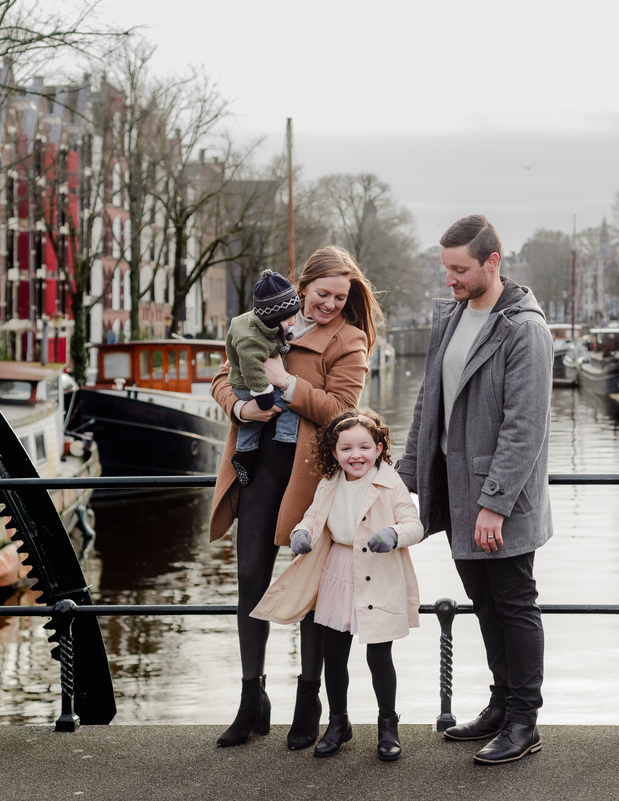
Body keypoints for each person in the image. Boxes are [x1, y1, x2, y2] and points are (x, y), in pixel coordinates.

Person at [208, 245, 383, 750]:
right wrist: (241, 407)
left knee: (309, 589)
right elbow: (222, 377)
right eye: (322, 293)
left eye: (340, 297)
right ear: (302, 286)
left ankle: (310, 701)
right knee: (249, 580)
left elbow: (345, 411)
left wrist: (289, 383)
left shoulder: (349, 340)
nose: (329, 304)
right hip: (259, 464)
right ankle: (251, 698)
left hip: (310, 476)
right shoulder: (258, 323)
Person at [396, 214, 553, 766]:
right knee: (484, 603)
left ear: (493, 262)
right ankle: (500, 705)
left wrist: (494, 504)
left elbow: (524, 425)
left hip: (497, 503)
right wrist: (407, 476)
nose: (450, 280)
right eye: (446, 269)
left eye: (459, 269)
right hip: (458, 493)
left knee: (513, 603)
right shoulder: (453, 316)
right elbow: (428, 403)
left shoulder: (523, 328)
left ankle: (524, 722)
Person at [252, 409, 423, 761]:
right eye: (346, 449)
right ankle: (337, 723)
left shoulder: (391, 483)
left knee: (379, 655)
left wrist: (393, 534)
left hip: (379, 571)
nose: (355, 455)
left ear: (378, 449)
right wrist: (302, 533)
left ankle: (387, 726)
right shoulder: (330, 483)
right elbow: (313, 518)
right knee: (335, 655)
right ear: (334, 453)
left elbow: (414, 525)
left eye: (363, 447)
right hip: (339, 570)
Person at [225, 270, 302, 486]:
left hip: (244, 387)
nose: (293, 321)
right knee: (289, 404)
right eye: (288, 319)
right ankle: (287, 441)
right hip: (251, 387)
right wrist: (264, 395)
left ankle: (243, 454)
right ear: (272, 319)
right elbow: (251, 370)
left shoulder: (260, 325)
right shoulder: (252, 342)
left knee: (252, 425)